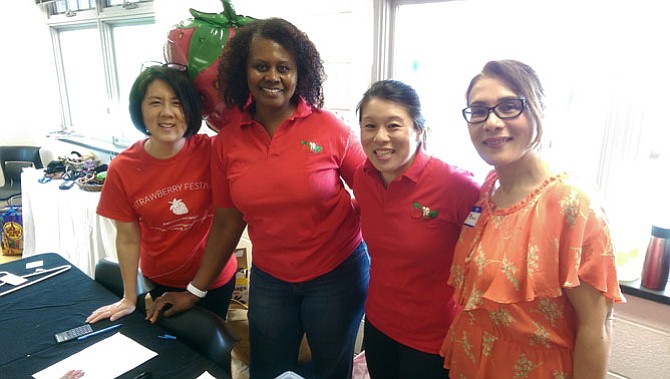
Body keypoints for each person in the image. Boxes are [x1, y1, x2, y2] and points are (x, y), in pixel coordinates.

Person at [147, 18, 370, 379]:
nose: (273, 76)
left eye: (284, 68)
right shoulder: (228, 143)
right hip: (272, 281)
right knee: (266, 371)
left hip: (336, 276)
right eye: (261, 66)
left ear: (300, 74)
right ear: (243, 71)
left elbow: (374, 190)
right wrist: (194, 290)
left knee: (331, 369)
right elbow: (227, 221)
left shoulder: (329, 128)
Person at [439, 60, 625, 379]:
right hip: (474, 361)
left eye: (509, 106)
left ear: (537, 109)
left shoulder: (572, 204)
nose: (492, 122)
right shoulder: (488, 189)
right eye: (479, 110)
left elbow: (596, 328)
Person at [86, 64, 237, 324]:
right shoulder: (123, 168)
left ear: (190, 110)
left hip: (214, 278)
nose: (167, 113)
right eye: (155, 102)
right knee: (173, 347)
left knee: (212, 349)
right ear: (139, 110)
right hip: (162, 279)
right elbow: (128, 239)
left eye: (177, 103)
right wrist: (129, 297)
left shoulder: (213, 151)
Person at [353, 80, 480, 378]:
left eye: (393, 126)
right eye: (370, 126)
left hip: (433, 340)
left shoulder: (457, 186)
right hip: (379, 325)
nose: (380, 138)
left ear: (419, 130)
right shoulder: (363, 177)